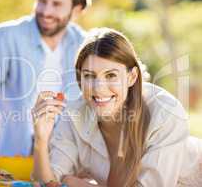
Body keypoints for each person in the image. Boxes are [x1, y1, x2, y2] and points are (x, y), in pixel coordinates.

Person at [32, 28, 202, 187]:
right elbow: (48, 182)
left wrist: (76, 183)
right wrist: (41, 140)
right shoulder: (75, 114)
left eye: (111, 75)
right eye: (89, 76)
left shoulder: (165, 112)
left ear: (132, 76)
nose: (98, 88)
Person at [0, 0, 90, 168]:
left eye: (56, 4)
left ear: (76, 10)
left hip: (64, 169)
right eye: (42, 1)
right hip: (11, 166)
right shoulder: (5, 37)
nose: (46, 11)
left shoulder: (85, 45)